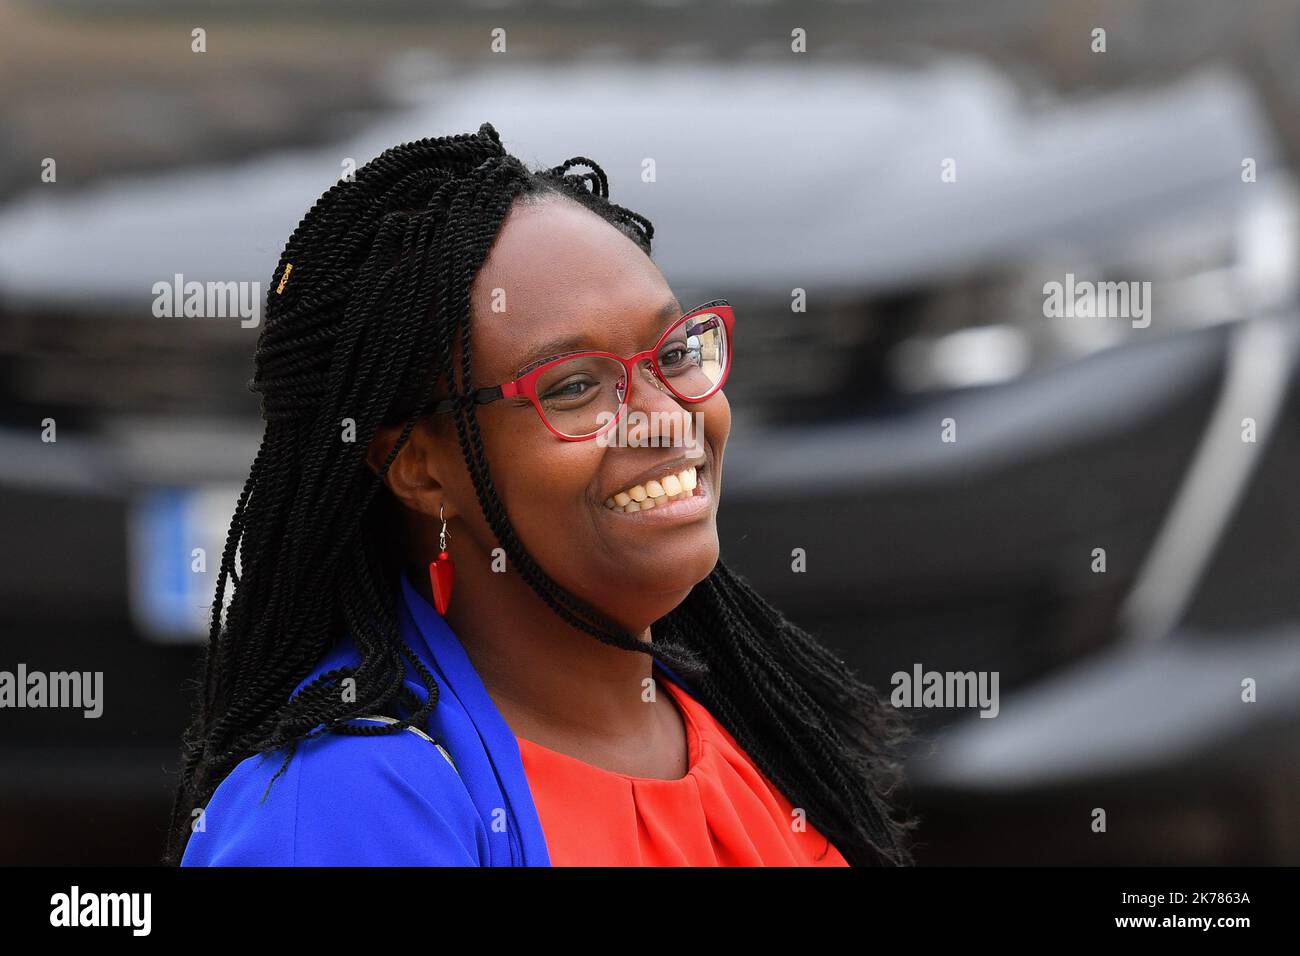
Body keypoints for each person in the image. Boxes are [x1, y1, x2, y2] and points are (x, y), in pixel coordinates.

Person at [165, 122, 916, 866]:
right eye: (576, 387)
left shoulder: (749, 723)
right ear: (419, 466)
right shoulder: (352, 807)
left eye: (673, 351)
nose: (665, 419)